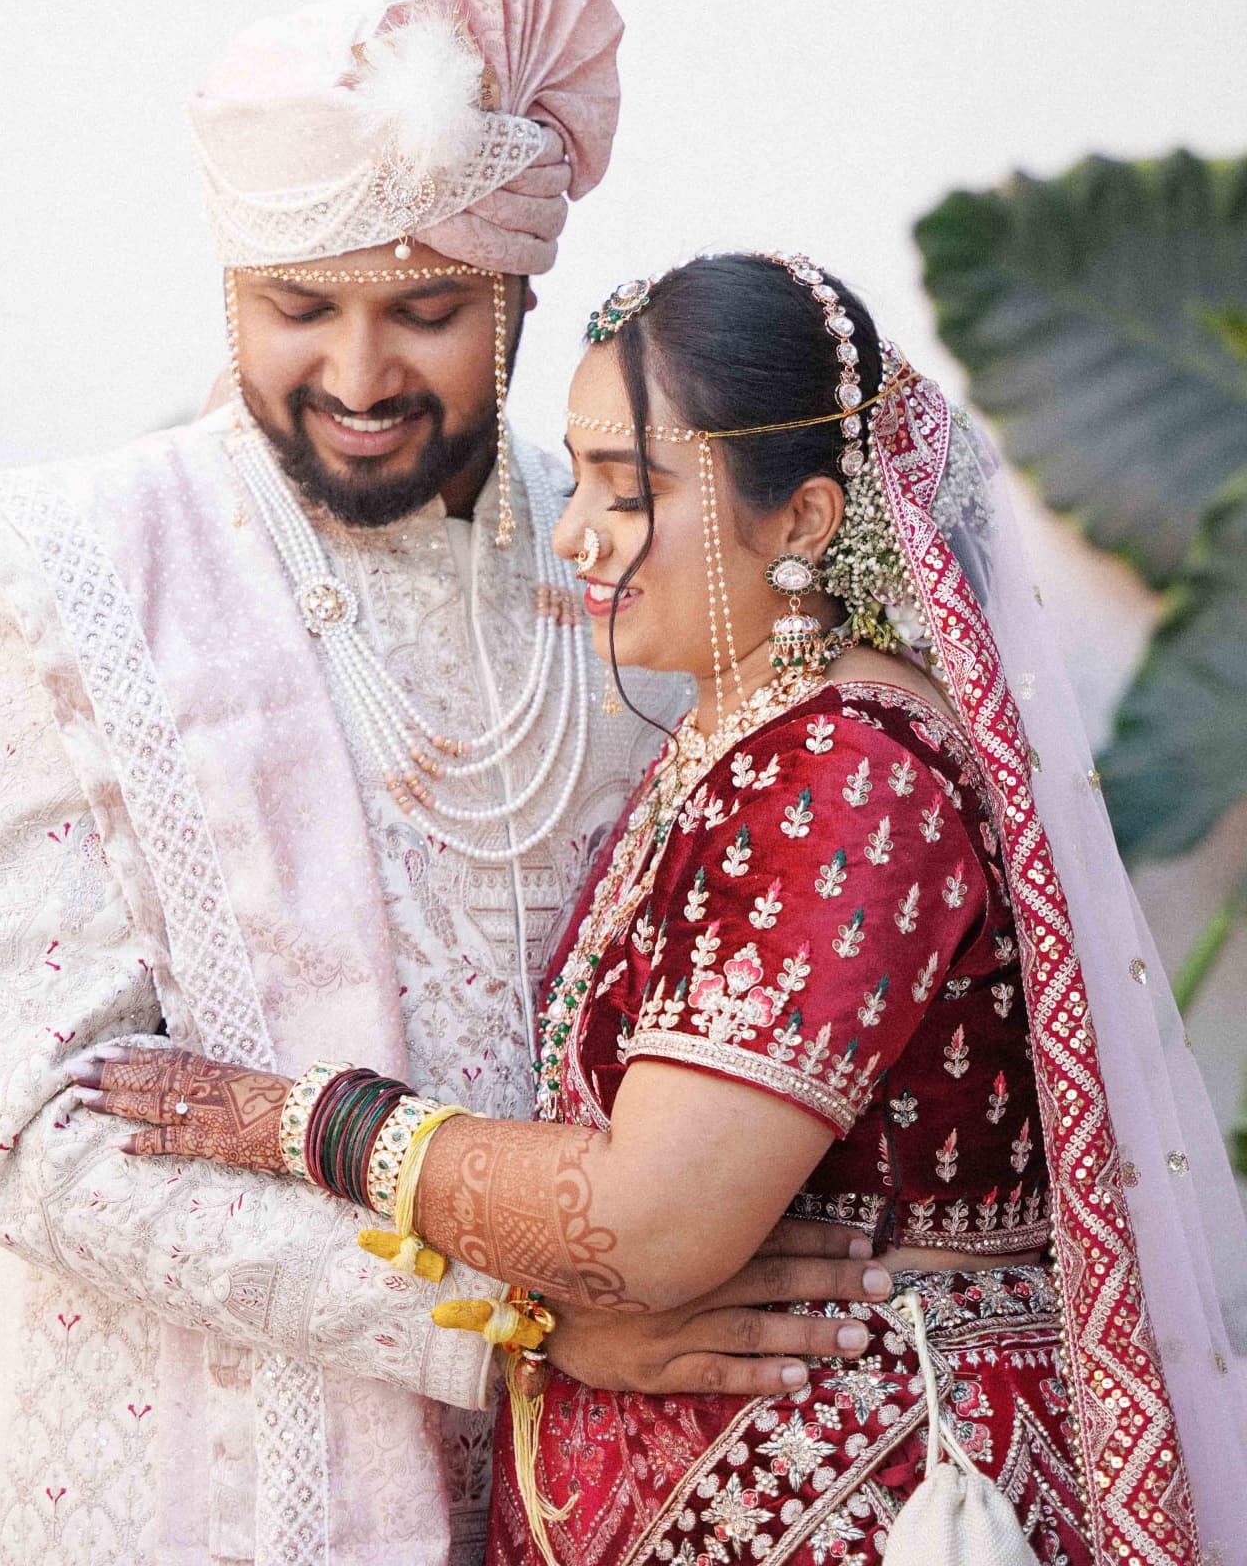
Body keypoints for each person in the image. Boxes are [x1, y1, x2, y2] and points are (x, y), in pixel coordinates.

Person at [0, 0, 894, 1566]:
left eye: (423, 313)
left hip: (613, 1454)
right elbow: (47, 1134)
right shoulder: (72, 575)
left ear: (518, 298)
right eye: (299, 309)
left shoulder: (640, 548)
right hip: (206, 1468)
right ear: (231, 291)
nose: (356, 378)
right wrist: (510, 1325)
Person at [78, 253, 1247, 1566]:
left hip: (867, 1500)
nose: (575, 534)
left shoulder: (845, 778)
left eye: (629, 492)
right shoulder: (738, 737)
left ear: (802, 521)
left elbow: (650, 1222)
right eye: (579, 481)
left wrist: (296, 1122)